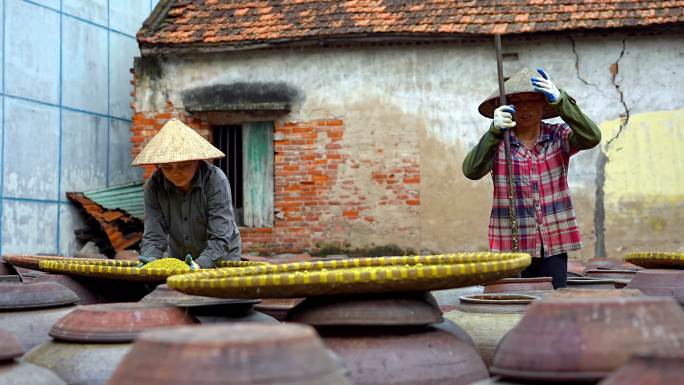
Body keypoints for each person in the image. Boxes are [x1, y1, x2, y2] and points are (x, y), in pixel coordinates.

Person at [462, 68, 601, 288]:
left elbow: (592, 137)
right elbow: (471, 170)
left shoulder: (558, 135)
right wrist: (492, 133)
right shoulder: (499, 142)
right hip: (511, 243)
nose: (525, 108)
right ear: (508, 108)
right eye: (518, 102)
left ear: (543, 105)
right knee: (513, 306)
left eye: (532, 101)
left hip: (554, 239)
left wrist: (562, 102)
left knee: (552, 306)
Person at [132, 118, 242, 269]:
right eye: (167, 167)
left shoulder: (215, 180)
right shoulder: (154, 186)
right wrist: (150, 260)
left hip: (222, 257)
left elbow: (220, 236)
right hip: (180, 258)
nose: (175, 173)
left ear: (197, 161)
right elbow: (154, 235)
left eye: (184, 165)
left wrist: (200, 264)